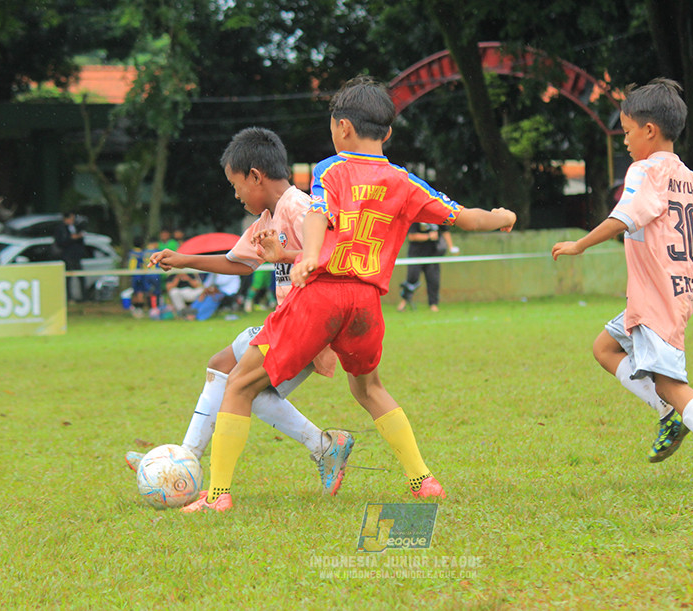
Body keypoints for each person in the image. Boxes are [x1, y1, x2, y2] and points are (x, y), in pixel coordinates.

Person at [182, 75, 516, 513]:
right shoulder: (404, 181)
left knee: (240, 383)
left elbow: (319, 214)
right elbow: (461, 217)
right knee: (369, 388)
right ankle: (422, 479)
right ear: (388, 132)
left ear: (341, 128)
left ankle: (218, 496)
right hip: (365, 302)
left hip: (322, 295)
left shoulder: (330, 170)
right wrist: (498, 216)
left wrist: (309, 257)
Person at [551, 78, 693, 490]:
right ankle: (668, 415)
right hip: (670, 293)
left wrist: (580, 244)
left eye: (626, 132)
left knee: (670, 381)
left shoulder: (644, 170)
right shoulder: (692, 180)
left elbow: (623, 218)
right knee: (605, 347)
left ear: (649, 130)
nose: (624, 141)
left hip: (656, 296)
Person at [131, 126, 352, 495]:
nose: (235, 195)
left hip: (311, 325)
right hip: (288, 323)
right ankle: (185, 458)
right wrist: (184, 260)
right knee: (225, 370)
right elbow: (239, 263)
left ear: (256, 176)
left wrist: (284, 256)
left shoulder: (298, 208)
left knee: (239, 384)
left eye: (236, 185)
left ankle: (188, 460)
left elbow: (334, 253)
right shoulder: (266, 219)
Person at [397, 223, 458, 312]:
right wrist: (428, 236)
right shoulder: (416, 217)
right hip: (416, 254)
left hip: (433, 254)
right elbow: (411, 236)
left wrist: (451, 247)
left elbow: (445, 231)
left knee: (433, 280)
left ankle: (433, 305)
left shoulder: (437, 216)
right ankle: (403, 302)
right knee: (412, 279)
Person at [54, 212, 87, 302]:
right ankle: (68, 298)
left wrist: (78, 238)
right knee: (67, 278)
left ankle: (84, 298)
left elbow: (82, 242)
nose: (73, 221)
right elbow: (60, 242)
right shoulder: (60, 229)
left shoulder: (77, 228)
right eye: (71, 219)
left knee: (81, 276)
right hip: (67, 256)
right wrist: (71, 238)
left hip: (77, 256)